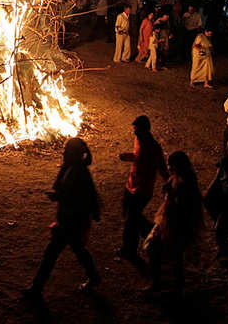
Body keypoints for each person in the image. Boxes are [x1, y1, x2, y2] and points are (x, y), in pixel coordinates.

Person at [24, 138, 101, 300]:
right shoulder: (72, 168)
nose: (64, 154)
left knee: (52, 253)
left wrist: (58, 196)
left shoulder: (79, 172)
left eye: (67, 151)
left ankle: (36, 288)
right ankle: (94, 276)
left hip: (72, 221)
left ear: (75, 154)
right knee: (77, 250)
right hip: (68, 219)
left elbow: (79, 197)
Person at [144, 151, 203, 294]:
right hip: (170, 220)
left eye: (170, 164)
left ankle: (164, 285)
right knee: (172, 256)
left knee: (156, 249)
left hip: (176, 223)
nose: (168, 167)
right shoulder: (181, 177)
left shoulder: (184, 183)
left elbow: (182, 204)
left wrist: (170, 194)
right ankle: (170, 285)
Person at [117, 116, 168, 262]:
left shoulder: (154, 147)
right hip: (131, 185)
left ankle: (129, 251)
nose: (135, 133)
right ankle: (154, 235)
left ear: (145, 130)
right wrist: (127, 156)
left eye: (137, 131)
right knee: (130, 216)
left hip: (142, 190)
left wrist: (170, 183)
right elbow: (138, 156)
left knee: (131, 221)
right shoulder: (138, 139)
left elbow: (162, 168)